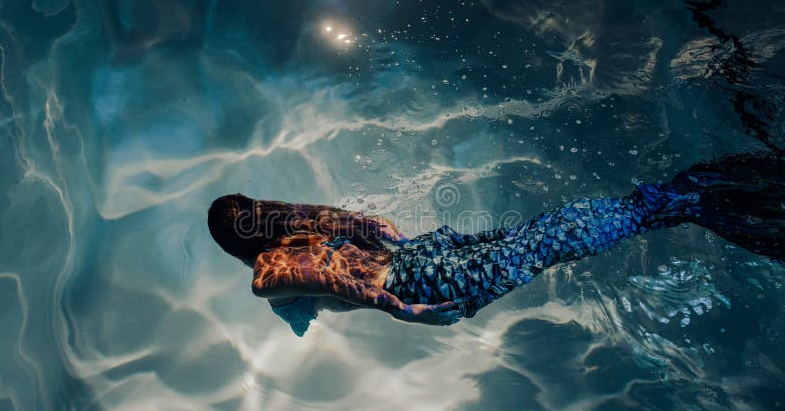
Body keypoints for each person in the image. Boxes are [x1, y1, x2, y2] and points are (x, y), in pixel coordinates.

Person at [207, 153, 783, 336]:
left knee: (547, 245)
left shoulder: (267, 274)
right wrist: (414, 249)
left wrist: (408, 311)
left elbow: (340, 286)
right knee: (535, 234)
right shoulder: (302, 223)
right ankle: (676, 205)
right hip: (420, 254)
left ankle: (683, 198)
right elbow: (374, 224)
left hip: (416, 284)